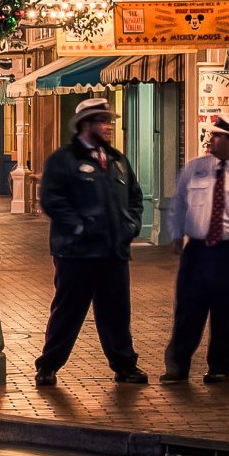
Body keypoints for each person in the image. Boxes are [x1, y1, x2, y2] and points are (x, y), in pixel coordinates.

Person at [34, 97, 147, 388]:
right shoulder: (64, 160)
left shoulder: (117, 161)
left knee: (117, 313)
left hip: (113, 252)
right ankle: (48, 366)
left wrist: (130, 226)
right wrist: (81, 226)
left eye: (109, 121)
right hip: (76, 254)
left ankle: (124, 366)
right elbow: (52, 200)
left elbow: (135, 197)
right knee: (68, 312)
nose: (109, 126)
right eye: (102, 121)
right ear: (85, 124)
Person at [163, 112, 229, 385]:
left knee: (225, 313)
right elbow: (179, 205)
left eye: (219, 136)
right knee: (188, 310)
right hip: (198, 251)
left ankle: (220, 368)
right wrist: (176, 235)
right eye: (212, 134)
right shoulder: (195, 168)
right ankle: (177, 367)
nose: (212, 139)